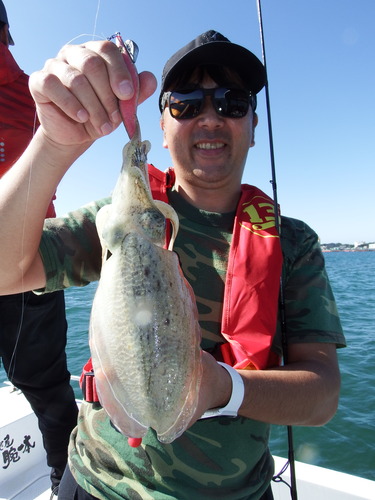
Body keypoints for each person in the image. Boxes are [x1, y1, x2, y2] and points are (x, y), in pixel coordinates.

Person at [0, 28, 346, 500]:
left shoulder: (294, 243)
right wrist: (53, 145)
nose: (210, 117)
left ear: (252, 124)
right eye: (185, 102)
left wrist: (222, 386)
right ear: (161, 126)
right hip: (100, 485)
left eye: (232, 102)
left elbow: (323, 394)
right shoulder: (118, 222)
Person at [0, 1, 78, 495]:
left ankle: (64, 476)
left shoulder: (34, 94)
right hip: (33, 265)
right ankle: (63, 478)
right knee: (47, 387)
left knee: (48, 387)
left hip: (28, 264)